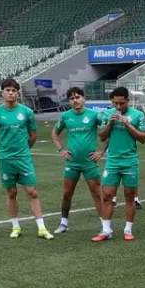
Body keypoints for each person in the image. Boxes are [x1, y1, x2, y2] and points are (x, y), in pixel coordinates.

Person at [0, 78, 53, 240]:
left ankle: (42, 228)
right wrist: (1, 151)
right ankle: (15, 227)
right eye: (7, 90)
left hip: (23, 158)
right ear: (2, 93)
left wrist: (24, 150)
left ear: (18, 93)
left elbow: (33, 136)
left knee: (32, 192)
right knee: (11, 192)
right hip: (6, 159)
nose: (11, 93)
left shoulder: (27, 112)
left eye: (13, 90)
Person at [96, 86, 145, 241]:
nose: (118, 106)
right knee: (107, 196)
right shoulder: (107, 114)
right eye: (115, 103)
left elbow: (143, 138)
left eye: (121, 103)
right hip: (112, 161)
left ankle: (128, 229)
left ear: (128, 101)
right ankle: (106, 230)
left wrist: (128, 124)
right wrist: (109, 124)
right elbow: (102, 136)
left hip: (129, 161)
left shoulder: (138, 115)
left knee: (130, 196)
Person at [51, 86, 104, 234]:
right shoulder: (65, 116)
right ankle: (63, 223)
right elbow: (54, 133)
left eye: (78, 97)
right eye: (72, 98)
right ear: (69, 101)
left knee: (96, 194)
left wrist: (101, 151)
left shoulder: (95, 115)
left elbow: (107, 133)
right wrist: (61, 150)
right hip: (72, 163)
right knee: (67, 194)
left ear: (83, 98)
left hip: (89, 163)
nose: (75, 100)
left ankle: (104, 225)